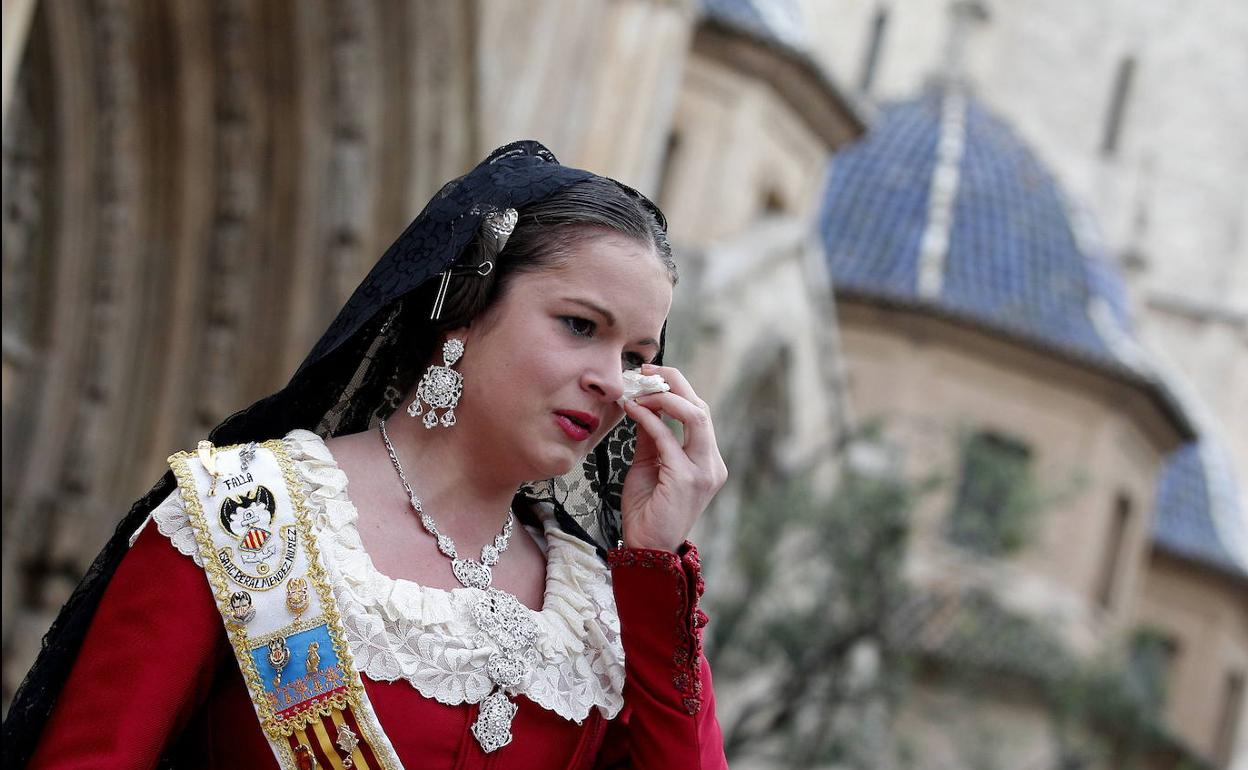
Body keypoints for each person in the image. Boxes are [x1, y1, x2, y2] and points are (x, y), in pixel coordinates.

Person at [3, 140, 729, 769]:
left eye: (637, 354)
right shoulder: (248, 518)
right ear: (464, 314)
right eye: (579, 325)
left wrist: (656, 563)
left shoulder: (600, 614)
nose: (612, 380)